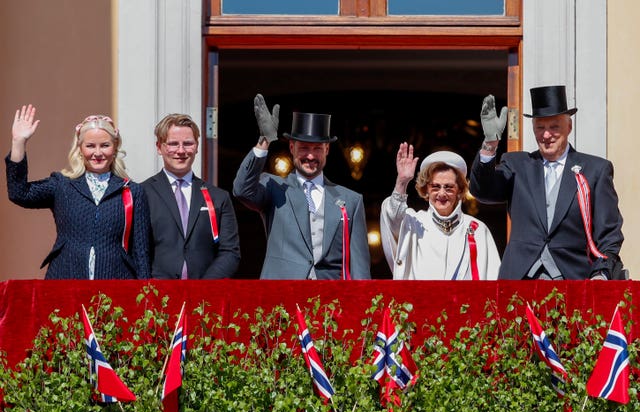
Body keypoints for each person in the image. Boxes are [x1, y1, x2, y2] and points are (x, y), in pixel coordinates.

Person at [470, 85, 624, 280]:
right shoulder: (516, 164)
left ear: (569, 127)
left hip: (574, 278)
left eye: (554, 127)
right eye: (540, 128)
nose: (546, 135)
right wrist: (490, 144)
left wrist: (602, 272)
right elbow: (482, 191)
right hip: (519, 279)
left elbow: (609, 231)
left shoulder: (595, 170)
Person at [233, 94, 371, 279]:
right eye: (304, 148)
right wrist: (264, 141)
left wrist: (360, 303)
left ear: (327, 150)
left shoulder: (351, 200)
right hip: (282, 297)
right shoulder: (274, 187)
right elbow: (242, 190)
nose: (311, 156)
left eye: (317, 149)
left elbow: (359, 267)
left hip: (331, 300)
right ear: (292, 147)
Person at [6, 105, 151, 279]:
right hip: (65, 279)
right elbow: (19, 193)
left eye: (105, 145)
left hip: (116, 283)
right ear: (80, 149)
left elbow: (141, 252)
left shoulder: (132, 191)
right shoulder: (62, 185)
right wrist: (18, 143)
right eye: (90, 146)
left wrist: (145, 297)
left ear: (115, 148)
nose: (98, 153)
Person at [381, 144, 500, 280]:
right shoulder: (414, 222)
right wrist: (401, 182)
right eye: (435, 187)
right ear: (426, 189)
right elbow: (392, 217)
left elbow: (494, 283)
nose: (442, 193)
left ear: (460, 190)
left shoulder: (478, 229)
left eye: (449, 187)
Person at [143, 113, 240, 279]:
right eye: (173, 144)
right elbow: (136, 249)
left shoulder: (218, 197)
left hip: (205, 297)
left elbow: (230, 252)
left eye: (188, 144)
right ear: (159, 147)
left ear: (196, 146)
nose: (181, 151)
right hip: (156, 295)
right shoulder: (142, 193)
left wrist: (202, 289)